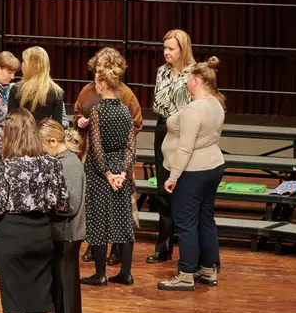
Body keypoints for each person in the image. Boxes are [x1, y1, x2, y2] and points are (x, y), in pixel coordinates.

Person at [0, 111, 70, 313]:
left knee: (13, 302)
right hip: (41, 235)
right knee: (44, 298)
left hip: (13, 236)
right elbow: (62, 202)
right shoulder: (51, 163)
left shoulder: (8, 165)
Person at [157, 57, 227, 292]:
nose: (186, 82)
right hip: (213, 166)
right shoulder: (216, 103)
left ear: (196, 80)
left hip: (194, 171)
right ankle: (209, 268)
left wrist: (172, 177)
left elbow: (185, 149)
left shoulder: (194, 110)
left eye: (188, 78)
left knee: (185, 222)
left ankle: (186, 273)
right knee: (206, 218)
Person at [73, 47, 142, 268]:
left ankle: (116, 251)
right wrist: (79, 120)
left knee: (118, 205)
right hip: (92, 153)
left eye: (103, 65)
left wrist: (115, 144)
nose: (99, 69)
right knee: (93, 203)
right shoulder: (87, 90)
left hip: (115, 157)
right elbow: (77, 111)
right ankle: (94, 246)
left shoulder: (125, 94)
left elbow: (135, 123)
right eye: (97, 65)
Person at [30, 119, 85, 313]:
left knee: (63, 293)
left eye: (41, 145)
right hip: (56, 234)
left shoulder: (69, 164)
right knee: (51, 291)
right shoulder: (57, 161)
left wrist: (40, 203)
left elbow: (70, 204)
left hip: (67, 236)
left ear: (53, 141)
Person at [148, 29, 195, 264]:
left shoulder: (194, 73)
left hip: (185, 129)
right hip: (163, 127)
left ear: (182, 50)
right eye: (164, 48)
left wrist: (174, 108)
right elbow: (158, 105)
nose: (166, 52)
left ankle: (187, 248)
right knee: (163, 190)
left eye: (171, 48)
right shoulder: (162, 72)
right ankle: (164, 247)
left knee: (182, 189)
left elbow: (192, 105)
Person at [8, 46, 64, 124]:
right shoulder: (57, 91)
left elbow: (11, 122)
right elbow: (57, 125)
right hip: (45, 131)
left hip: (22, 131)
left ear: (32, 66)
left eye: (24, 61)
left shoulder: (17, 89)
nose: (22, 65)